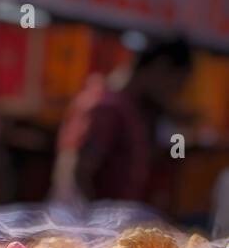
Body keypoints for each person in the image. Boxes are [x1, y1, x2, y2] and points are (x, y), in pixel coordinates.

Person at [53, 36, 193, 205]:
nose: (175, 94)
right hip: (88, 226)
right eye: (177, 85)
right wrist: (95, 225)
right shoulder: (107, 107)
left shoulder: (137, 111)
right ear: (160, 67)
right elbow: (76, 172)